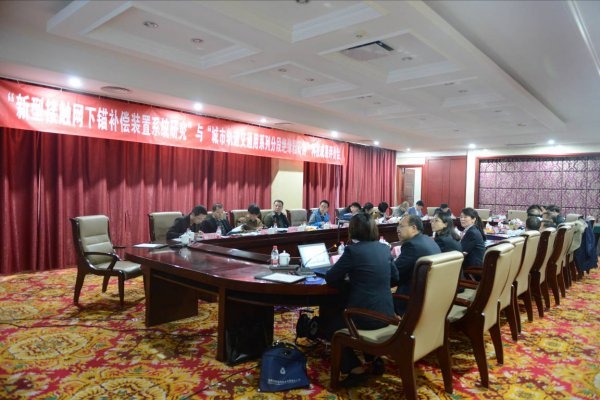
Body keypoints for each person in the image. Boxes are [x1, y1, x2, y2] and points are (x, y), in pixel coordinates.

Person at [324, 212, 399, 386]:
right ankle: (373, 359)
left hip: (364, 317)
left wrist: (352, 280)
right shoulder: (384, 248)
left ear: (352, 231)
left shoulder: (353, 251)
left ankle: (354, 368)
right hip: (388, 314)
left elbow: (331, 277)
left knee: (329, 325)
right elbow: (395, 278)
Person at [393, 214, 441, 316]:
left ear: (414, 228)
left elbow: (395, 273)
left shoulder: (411, 245)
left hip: (411, 300)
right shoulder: (428, 240)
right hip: (431, 297)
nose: (398, 230)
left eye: (401, 226)